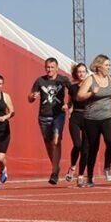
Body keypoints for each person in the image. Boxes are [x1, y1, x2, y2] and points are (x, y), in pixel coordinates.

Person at [76, 54, 111, 187]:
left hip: (108, 116)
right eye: (106, 65)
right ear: (99, 66)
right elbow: (79, 96)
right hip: (91, 118)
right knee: (93, 148)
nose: (109, 68)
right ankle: (89, 177)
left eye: (110, 65)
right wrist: (91, 93)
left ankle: (107, 167)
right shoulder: (90, 79)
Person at [28, 57, 71, 185]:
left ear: (57, 68)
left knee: (56, 140)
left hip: (58, 115)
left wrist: (68, 105)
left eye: (52, 67)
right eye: (47, 67)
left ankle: (54, 172)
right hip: (43, 116)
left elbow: (73, 92)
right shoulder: (40, 81)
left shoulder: (63, 80)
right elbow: (29, 97)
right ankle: (56, 166)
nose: (49, 70)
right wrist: (33, 96)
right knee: (49, 144)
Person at [64, 62, 90, 183]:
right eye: (79, 72)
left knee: (85, 149)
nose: (81, 74)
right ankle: (72, 167)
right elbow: (70, 103)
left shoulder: (91, 87)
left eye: (83, 72)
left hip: (88, 118)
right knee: (77, 145)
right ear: (76, 73)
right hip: (75, 117)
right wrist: (66, 106)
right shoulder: (72, 87)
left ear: (86, 73)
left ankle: (80, 175)